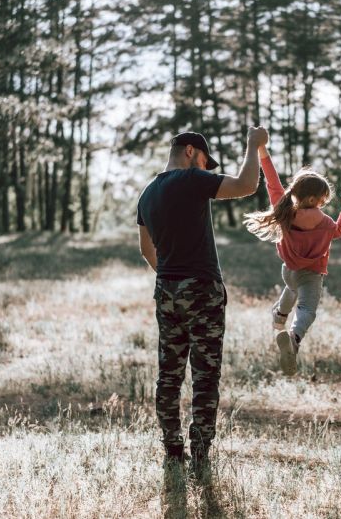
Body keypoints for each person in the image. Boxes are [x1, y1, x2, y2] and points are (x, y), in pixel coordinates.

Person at [137, 127, 269, 471]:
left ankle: (172, 448)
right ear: (191, 152)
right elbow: (246, 185)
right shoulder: (191, 180)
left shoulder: (147, 194)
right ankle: (200, 453)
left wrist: (170, 275)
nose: (205, 169)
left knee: (169, 374)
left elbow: (145, 248)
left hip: (166, 289)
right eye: (204, 162)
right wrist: (254, 145)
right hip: (202, 288)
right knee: (205, 375)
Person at [244, 146, 341, 375]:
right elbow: (340, 231)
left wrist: (262, 150)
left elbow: (272, 181)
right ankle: (293, 337)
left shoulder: (285, 212)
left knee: (292, 288)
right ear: (313, 198)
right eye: (322, 200)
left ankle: (279, 315)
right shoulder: (326, 222)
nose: (323, 204)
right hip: (311, 275)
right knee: (306, 310)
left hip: (289, 271)